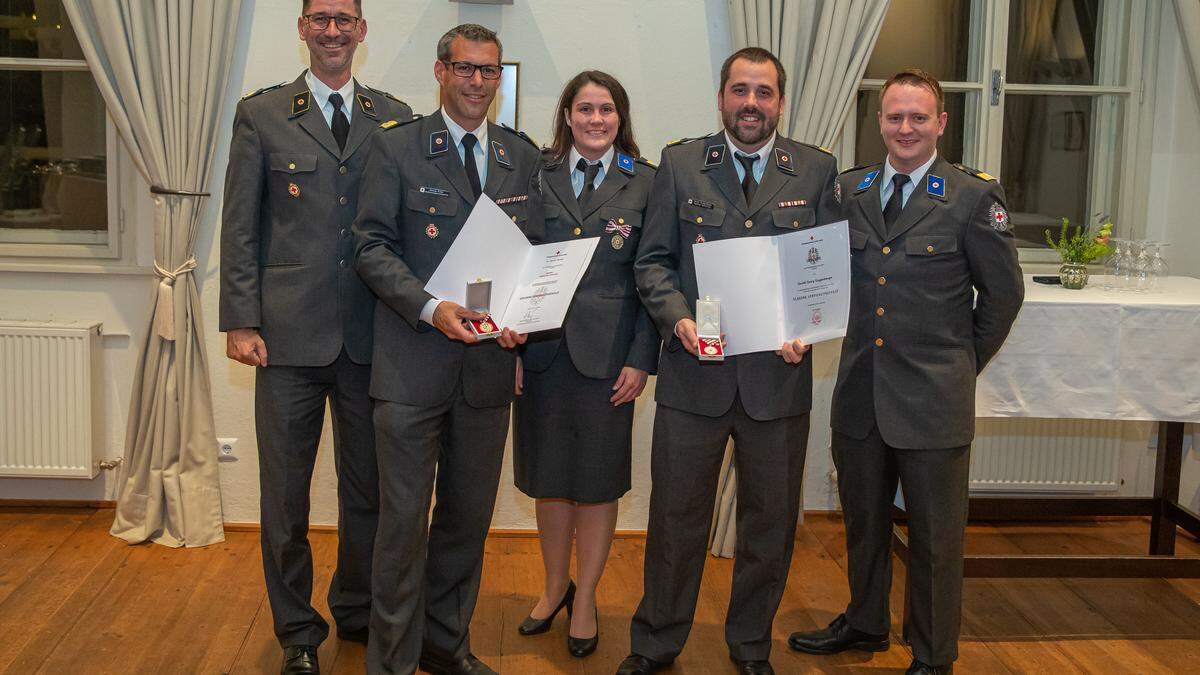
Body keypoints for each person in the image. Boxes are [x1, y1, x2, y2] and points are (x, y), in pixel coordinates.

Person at [787, 68, 1023, 675]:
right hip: (861, 391)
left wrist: (961, 363)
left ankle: (933, 652)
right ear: (880, 122)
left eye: (919, 117)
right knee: (864, 524)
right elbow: (819, 276)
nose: (905, 127)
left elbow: (1002, 296)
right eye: (894, 116)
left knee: (936, 539)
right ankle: (865, 622)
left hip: (933, 399)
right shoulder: (851, 191)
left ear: (941, 124)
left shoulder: (972, 197)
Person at [621, 47, 841, 675]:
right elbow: (652, 261)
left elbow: (824, 270)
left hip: (778, 379)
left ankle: (749, 647)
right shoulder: (681, 163)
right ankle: (654, 644)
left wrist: (810, 328)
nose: (752, 103)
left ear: (780, 101)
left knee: (769, 527)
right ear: (721, 97)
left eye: (764, 92)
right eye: (740, 90)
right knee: (674, 521)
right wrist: (676, 317)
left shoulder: (816, 171)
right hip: (697, 376)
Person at [219, 2, 411, 673]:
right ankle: (298, 630)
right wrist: (239, 318)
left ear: (362, 30)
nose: (333, 29)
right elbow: (241, 225)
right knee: (284, 497)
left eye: (345, 18)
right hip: (285, 341)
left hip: (370, 338)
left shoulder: (395, 117)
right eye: (320, 17)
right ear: (302, 28)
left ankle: (355, 607)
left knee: (369, 492)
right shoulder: (264, 114)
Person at [352, 23, 544, 675]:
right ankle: (393, 662)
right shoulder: (399, 149)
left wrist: (524, 318)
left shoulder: (523, 157)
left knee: (465, 522)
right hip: (410, 368)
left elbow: (531, 259)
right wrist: (433, 309)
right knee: (402, 528)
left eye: (489, 72)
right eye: (465, 69)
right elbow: (370, 247)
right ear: (440, 72)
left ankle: (445, 643)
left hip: (487, 374)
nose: (477, 82)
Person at [511, 70, 660, 659]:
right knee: (550, 481)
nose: (595, 120)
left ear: (620, 118)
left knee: (597, 486)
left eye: (606, 110)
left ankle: (589, 597)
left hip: (610, 360)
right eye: (584, 109)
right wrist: (512, 349)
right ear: (566, 116)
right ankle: (553, 589)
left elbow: (655, 273)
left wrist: (641, 359)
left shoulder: (646, 182)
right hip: (542, 354)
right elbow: (514, 263)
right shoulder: (534, 174)